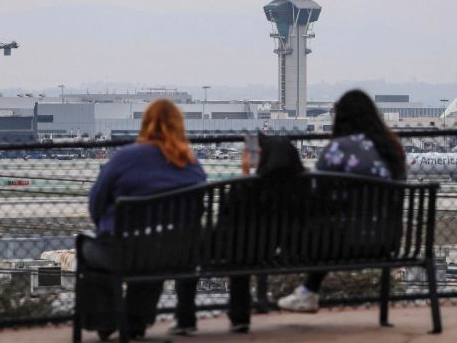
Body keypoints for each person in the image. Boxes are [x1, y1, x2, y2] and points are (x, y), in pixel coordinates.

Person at [85, 99, 206, 340]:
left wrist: (103, 226)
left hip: (124, 248)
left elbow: (96, 201)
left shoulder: (125, 157)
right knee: (154, 250)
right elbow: (198, 209)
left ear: (145, 124)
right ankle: (135, 321)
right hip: (175, 251)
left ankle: (105, 318)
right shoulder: (191, 164)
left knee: (91, 251)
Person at [277, 89, 407, 313]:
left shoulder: (340, 148)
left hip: (342, 241)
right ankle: (308, 291)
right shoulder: (392, 149)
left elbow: (315, 191)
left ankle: (306, 291)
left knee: (310, 219)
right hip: (387, 239)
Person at [226, 133, 306, 333]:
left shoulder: (249, 190)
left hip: (253, 253)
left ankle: (240, 317)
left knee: (239, 253)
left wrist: (245, 174)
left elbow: (231, 221)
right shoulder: (305, 188)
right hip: (298, 251)